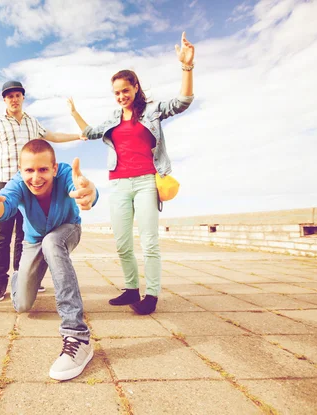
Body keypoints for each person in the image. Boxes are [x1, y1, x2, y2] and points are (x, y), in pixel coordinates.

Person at [67, 32, 195, 315]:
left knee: (149, 242)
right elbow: (89, 133)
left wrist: (187, 67)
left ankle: (152, 294)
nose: (121, 96)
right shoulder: (113, 119)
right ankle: (130, 288)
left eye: (125, 90)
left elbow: (183, 101)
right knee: (122, 242)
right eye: (116, 93)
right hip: (119, 184)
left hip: (147, 182)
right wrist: (75, 112)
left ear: (136, 87)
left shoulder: (152, 111)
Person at [0, 140, 98, 381]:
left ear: (53, 168)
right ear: (21, 170)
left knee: (52, 242)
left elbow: (81, 187)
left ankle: (77, 335)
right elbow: (5, 205)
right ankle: (21, 276)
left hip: (66, 229)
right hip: (32, 241)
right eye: (29, 170)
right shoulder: (18, 183)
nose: (36, 177)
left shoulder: (64, 174)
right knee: (22, 305)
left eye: (43, 170)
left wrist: (89, 192)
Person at [0, 80, 85, 302]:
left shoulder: (33, 122)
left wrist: (77, 136)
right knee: (3, 237)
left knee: (25, 236)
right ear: (4, 100)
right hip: (7, 186)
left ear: (23, 98)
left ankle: (24, 276)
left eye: (17, 95)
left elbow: (53, 136)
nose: (14, 99)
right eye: (9, 96)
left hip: (33, 185)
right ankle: (0, 282)